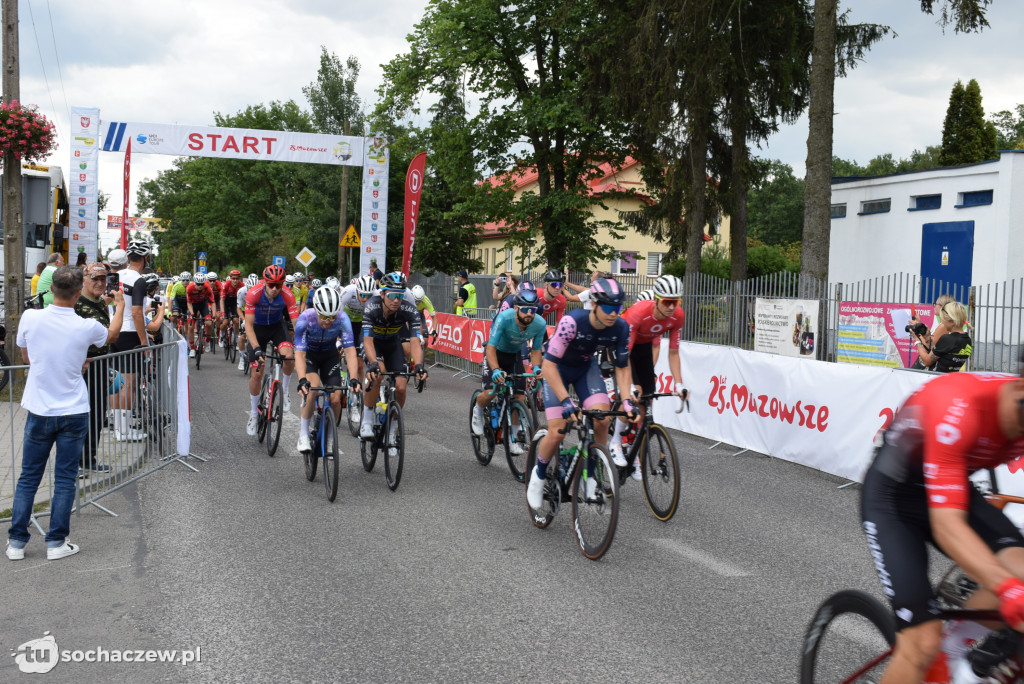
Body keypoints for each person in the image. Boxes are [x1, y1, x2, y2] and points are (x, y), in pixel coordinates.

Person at [860, 370, 1024, 683]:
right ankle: (937, 650)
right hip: (895, 498)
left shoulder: (1017, 407)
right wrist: (1008, 588)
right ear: (1020, 387)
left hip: (950, 485)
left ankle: (957, 649)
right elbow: (948, 526)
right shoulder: (961, 406)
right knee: (922, 642)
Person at [7, 266, 125, 562]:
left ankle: (17, 543)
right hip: (73, 410)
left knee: (28, 477)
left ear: (52, 289)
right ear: (76, 294)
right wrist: (120, 306)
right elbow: (110, 336)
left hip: (40, 408)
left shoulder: (31, 317)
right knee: (65, 478)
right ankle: (56, 542)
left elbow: (26, 357)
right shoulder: (85, 326)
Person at [526, 277, 639, 510]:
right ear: (594, 304)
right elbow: (548, 366)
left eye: (618, 308)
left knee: (601, 419)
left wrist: (626, 400)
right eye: (608, 307)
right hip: (557, 370)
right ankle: (538, 474)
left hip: (586, 370)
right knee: (557, 431)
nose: (613, 314)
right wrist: (566, 400)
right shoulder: (572, 322)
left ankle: (591, 474)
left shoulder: (620, 327)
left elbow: (622, 366)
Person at [613, 274, 689, 478]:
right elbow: (625, 356)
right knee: (633, 393)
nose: (672, 307)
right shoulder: (639, 313)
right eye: (667, 302)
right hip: (623, 346)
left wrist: (679, 383)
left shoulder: (678, 316)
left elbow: (673, 352)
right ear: (656, 299)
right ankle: (615, 443)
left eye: (676, 302)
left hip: (643, 347)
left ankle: (634, 453)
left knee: (647, 399)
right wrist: (629, 386)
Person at [471, 288, 546, 454]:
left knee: (519, 396)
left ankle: (514, 436)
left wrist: (536, 367)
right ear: (516, 308)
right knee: (490, 392)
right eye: (525, 310)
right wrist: (496, 370)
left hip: (514, 356)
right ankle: (477, 409)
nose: (529, 314)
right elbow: (490, 347)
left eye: (532, 310)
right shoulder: (504, 318)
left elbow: (535, 350)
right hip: (495, 353)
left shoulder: (539, 324)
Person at [359, 272, 428, 444]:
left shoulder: (409, 310)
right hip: (373, 343)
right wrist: (373, 362)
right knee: (379, 373)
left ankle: (392, 428)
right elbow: (367, 341)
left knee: (401, 387)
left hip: (392, 344)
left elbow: (414, 342)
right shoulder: (371, 307)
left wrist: (418, 365)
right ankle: (367, 419)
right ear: (382, 294)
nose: (396, 300)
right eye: (392, 295)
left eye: (400, 295)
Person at [294, 286, 362, 453]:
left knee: (336, 398)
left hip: (329, 356)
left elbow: (350, 350)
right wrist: (302, 380)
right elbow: (300, 354)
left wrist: (353, 379)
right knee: (313, 389)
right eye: (324, 316)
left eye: (331, 317)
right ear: (316, 311)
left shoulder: (343, 318)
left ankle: (330, 438)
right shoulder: (305, 319)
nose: (328, 321)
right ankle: (303, 434)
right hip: (310, 355)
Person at [74, 262, 127, 476]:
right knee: (80, 415)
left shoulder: (100, 302)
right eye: (94, 278)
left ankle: (89, 458)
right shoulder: (78, 303)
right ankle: (75, 462)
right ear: (84, 279)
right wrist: (121, 307)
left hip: (100, 365)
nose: (100, 283)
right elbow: (108, 335)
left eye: (103, 279)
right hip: (83, 367)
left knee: (96, 414)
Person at [244, 265, 299, 435]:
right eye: (271, 284)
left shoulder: (287, 295)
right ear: (265, 282)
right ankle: (254, 414)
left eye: (279, 285)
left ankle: (285, 391)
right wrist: (257, 348)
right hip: (257, 330)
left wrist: (301, 345)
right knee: (257, 373)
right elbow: (248, 325)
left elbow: (296, 323)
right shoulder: (254, 293)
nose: (275, 289)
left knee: (289, 358)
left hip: (276, 328)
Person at [110, 242, 151, 442]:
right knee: (130, 384)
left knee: (116, 383)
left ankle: (118, 428)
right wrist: (144, 342)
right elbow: (136, 312)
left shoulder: (117, 275)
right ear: (145, 258)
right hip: (130, 333)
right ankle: (124, 431)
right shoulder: (139, 280)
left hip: (114, 330)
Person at [911, 299, 973, 373]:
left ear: (952, 321)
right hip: (950, 378)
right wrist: (927, 337)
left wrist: (917, 340)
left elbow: (927, 361)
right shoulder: (967, 339)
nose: (942, 322)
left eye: (943, 319)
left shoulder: (947, 339)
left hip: (936, 378)